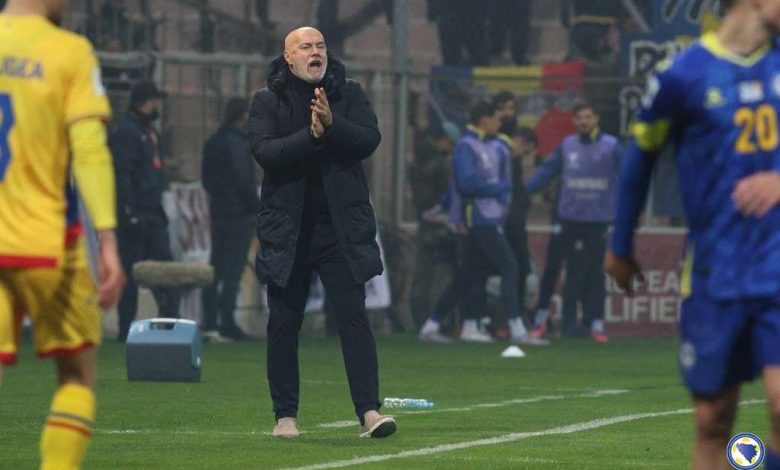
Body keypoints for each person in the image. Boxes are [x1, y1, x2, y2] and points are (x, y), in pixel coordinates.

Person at [605, 1, 780, 468]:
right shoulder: (683, 74)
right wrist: (620, 245)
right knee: (712, 421)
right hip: (714, 272)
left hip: (776, 267)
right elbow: (640, 159)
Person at [247, 27, 396, 439]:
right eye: (305, 47)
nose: (315, 52)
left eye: (320, 46)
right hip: (288, 232)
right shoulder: (267, 101)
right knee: (283, 324)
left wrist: (332, 125)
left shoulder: (349, 93)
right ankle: (285, 417)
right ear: (288, 56)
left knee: (353, 319)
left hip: (339, 231)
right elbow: (266, 152)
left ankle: (369, 413)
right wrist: (311, 136)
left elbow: (368, 139)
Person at [0, 0, 124, 468]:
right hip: (47, 243)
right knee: (75, 375)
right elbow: (89, 150)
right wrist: (107, 241)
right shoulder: (68, 51)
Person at [451, 101, 547, 345]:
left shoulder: (492, 146)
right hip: (479, 218)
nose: (499, 123)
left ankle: (458, 325)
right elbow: (465, 184)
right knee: (509, 267)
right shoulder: (468, 145)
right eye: (496, 119)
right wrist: (497, 188)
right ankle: (515, 328)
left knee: (473, 271)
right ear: (484, 119)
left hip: (492, 217)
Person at [527, 104, 621, 342]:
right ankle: (543, 320)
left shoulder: (611, 146)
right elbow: (546, 172)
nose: (583, 122)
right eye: (579, 118)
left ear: (596, 119)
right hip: (568, 218)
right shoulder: (567, 145)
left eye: (588, 117)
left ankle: (595, 323)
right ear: (574, 121)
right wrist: (522, 191)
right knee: (554, 268)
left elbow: (628, 176)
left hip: (598, 219)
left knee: (595, 272)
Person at [110, 80, 179, 342]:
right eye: (154, 101)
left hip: (153, 211)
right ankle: (125, 329)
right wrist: (128, 211)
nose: (156, 106)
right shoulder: (127, 131)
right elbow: (123, 173)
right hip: (137, 213)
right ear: (145, 102)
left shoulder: (148, 131)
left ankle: (171, 327)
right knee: (130, 274)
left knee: (165, 272)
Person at [201, 97, 260, 342]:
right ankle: (227, 321)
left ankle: (210, 320)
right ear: (242, 115)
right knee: (233, 270)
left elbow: (207, 180)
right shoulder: (238, 143)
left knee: (216, 267)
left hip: (219, 213)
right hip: (239, 215)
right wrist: (256, 207)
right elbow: (243, 179)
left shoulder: (213, 141)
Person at [408, 127, 455, 327]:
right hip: (442, 224)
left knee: (422, 273)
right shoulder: (442, 164)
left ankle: (419, 318)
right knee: (442, 274)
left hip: (424, 223)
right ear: (442, 140)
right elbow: (448, 196)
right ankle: (438, 320)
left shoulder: (415, 163)